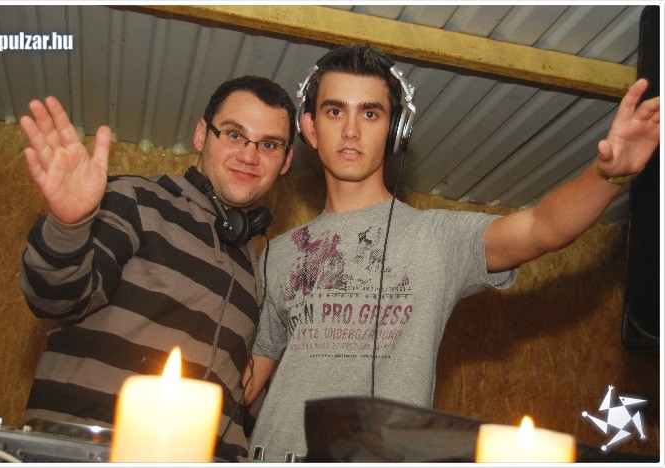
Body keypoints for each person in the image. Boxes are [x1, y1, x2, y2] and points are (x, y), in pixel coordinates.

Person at [242, 45, 661, 462]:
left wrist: (607, 176)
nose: (351, 130)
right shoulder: (279, 254)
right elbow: (248, 378)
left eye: (370, 114)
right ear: (311, 128)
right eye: (335, 111)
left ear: (395, 130)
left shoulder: (438, 238)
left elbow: (541, 227)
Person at [18, 75, 295, 461]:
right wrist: (68, 226)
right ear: (202, 134)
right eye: (234, 135)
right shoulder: (135, 200)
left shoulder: (256, 272)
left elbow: (237, 401)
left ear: (286, 161)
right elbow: (53, 296)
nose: (250, 156)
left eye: (269, 144)